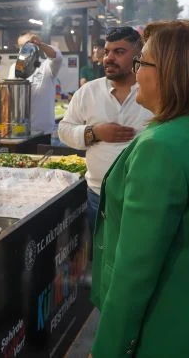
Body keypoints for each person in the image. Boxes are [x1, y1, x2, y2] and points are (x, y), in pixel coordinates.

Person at [90, 21, 189, 358]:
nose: (135, 73)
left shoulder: (161, 147)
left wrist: (108, 348)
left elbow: (136, 268)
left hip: (171, 332)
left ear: (169, 72)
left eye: (141, 63)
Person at [58, 26, 152, 240]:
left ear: (139, 56)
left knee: (138, 254)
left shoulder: (154, 90)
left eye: (119, 52)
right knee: (102, 254)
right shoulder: (88, 92)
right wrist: (94, 132)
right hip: (99, 195)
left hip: (143, 195)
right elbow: (64, 130)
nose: (108, 58)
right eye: (107, 51)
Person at [9, 32, 62, 136]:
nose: (22, 50)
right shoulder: (14, 68)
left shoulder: (47, 66)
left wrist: (41, 44)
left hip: (43, 131)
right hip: (19, 130)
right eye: (20, 46)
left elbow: (57, 57)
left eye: (26, 46)